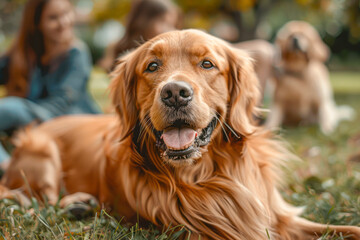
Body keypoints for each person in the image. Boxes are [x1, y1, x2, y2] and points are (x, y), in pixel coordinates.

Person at [0, 0, 101, 163]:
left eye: (67, 13)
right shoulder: (23, 53)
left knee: (11, 108)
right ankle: (7, 167)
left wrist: (20, 114)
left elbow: (59, 106)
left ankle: (9, 169)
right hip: (36, 127)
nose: (64, 22)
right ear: (37, 23)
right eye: (53, 18)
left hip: (72, 127)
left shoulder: (77, 54)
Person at [98, 0, 182, 72]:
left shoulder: (171, 56)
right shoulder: (117, 49)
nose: (170, 30)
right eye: (164, 22)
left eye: (172, 25)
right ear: (144, 22)